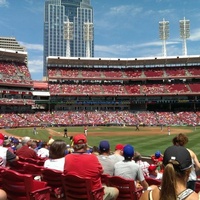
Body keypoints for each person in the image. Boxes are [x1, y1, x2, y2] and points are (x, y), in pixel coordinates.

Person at [64, 134, 119, 200]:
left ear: (74, 146)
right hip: (92, 195)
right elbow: (101, 171)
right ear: (86, 146)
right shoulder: (93, 158)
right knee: (115, 191)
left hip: (73, 194)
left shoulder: (67, 158)